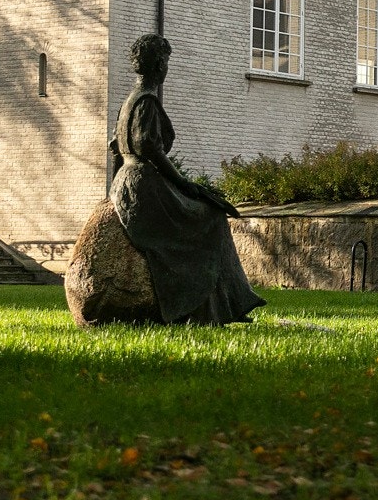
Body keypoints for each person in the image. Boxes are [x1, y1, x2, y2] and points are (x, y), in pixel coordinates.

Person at [110, 34, 265, 324]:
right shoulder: (146, 102)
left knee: (208, 213)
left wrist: (112, 192)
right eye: (166, 61)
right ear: (158, 65)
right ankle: (219, 306)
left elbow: (114, 149)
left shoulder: (128, 102)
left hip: (127, 185)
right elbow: (148, 147)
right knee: (211, 218)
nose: (167, 67)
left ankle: (220, 305)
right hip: (144, 187)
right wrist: (184, 184)